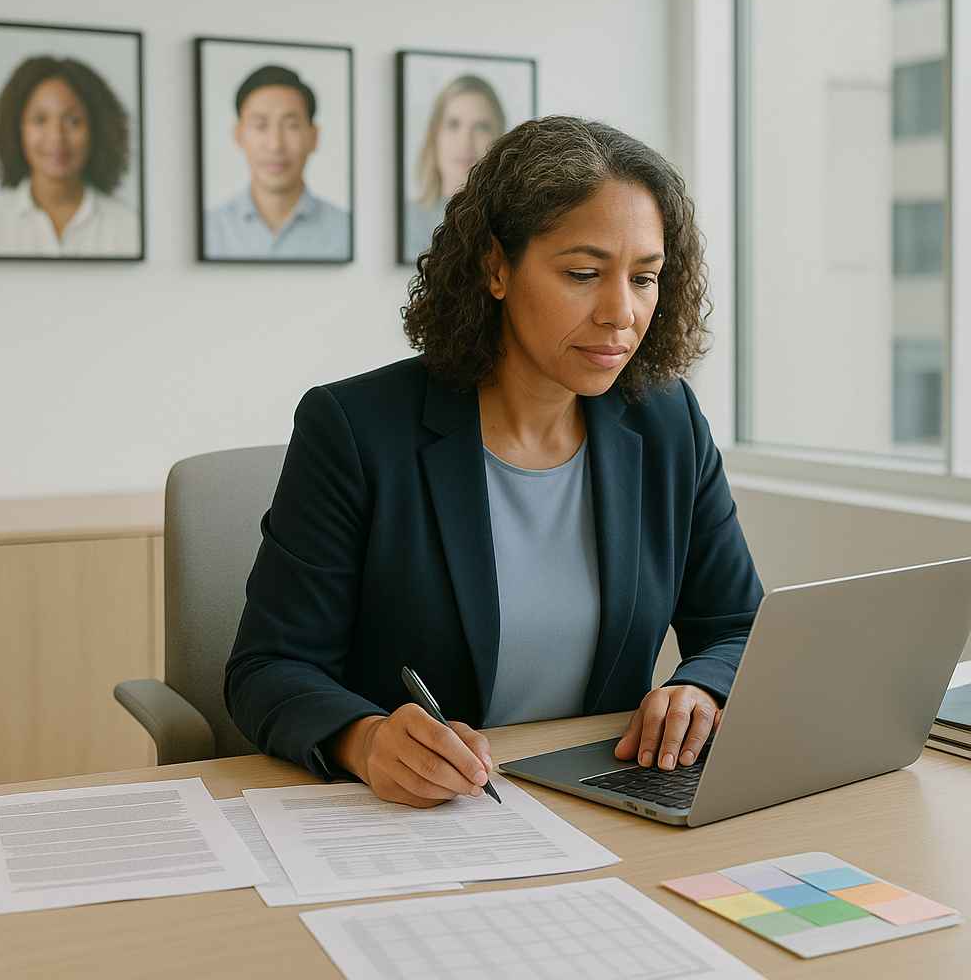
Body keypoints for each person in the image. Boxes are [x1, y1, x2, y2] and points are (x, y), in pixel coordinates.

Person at [226, 116, 764, 809]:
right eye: (583, 273)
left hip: (599, 802)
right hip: (410, 817)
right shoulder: (356, 429)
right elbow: (268, 666)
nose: (621, 312)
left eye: (645, 278)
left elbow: (737, 625)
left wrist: (702, 687)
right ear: (496, 268)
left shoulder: (668, 424)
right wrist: (363, 739)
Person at [0, 55, 139, 258]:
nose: (56, 137)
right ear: (16, 129)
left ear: (97, 130)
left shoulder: (129, 227)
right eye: (40, 120)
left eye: (73, 121)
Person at [205, 65, 350, 261]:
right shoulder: (210, 230)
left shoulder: (347, 230)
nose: (275, 145)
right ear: (238, 135)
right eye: (260, 125)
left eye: (292, 126)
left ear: (314, 136)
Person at [403, 74, 505, 263]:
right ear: (435, 136)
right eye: (453, 125)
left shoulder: (514, 225)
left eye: (481, 127)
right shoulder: (406, 221)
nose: (465, 141)